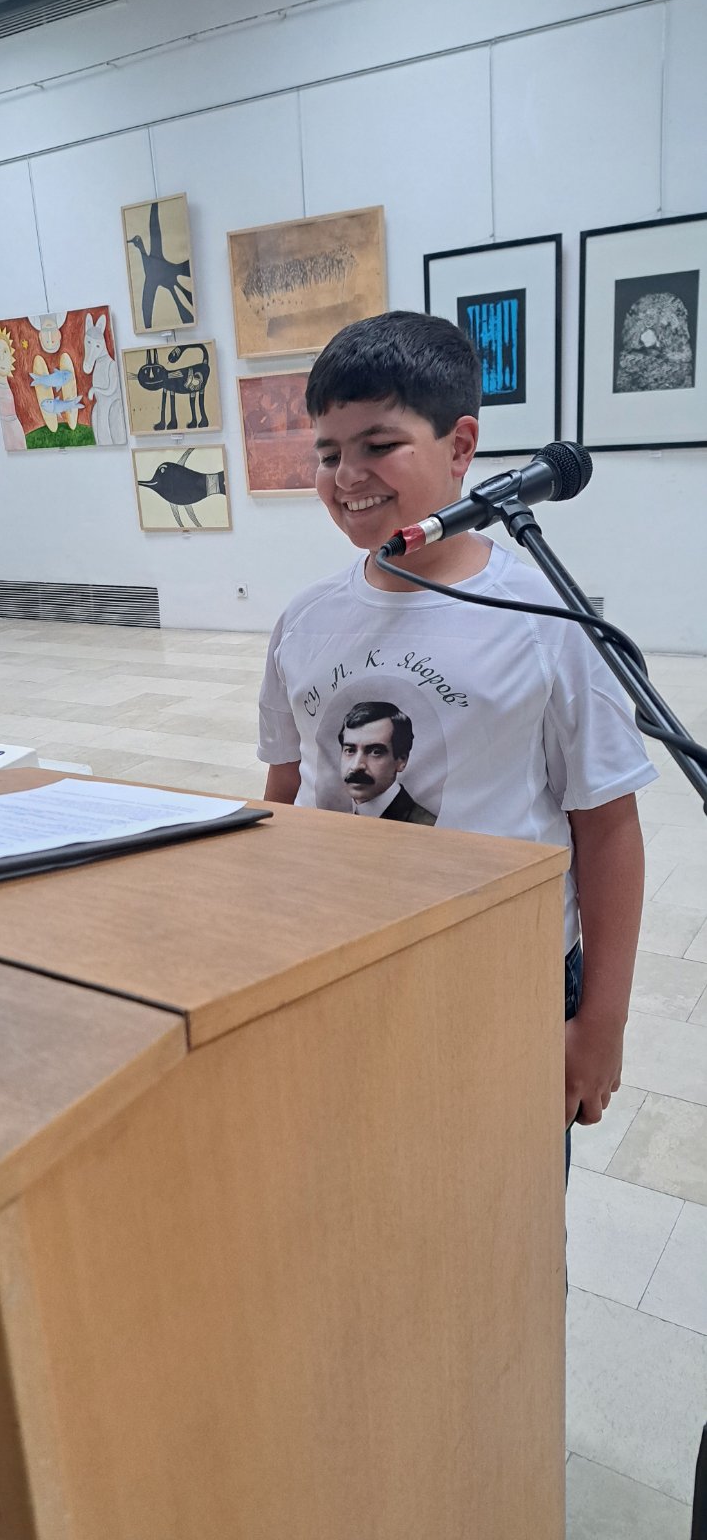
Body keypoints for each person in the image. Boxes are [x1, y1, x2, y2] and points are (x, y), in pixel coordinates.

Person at [258, 310, 657, 1162]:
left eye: (378, 445)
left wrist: (600, 1025)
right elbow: (287, 794)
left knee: (503, 1200)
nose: (346, 476)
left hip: (505, 974)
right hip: (346, 961)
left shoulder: (545, 619)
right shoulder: (304, 619)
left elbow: (607, 826)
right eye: (327, 453)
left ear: (460, 446)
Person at [338, 699, 437, 824]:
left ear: (402, 760)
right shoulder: (336, 819)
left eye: (375, 752)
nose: (356, 766)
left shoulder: (426, 825)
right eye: (350, 750)